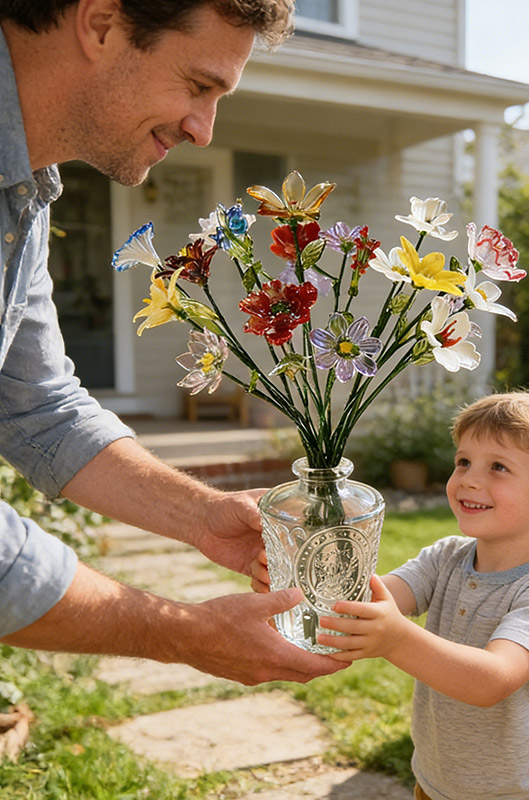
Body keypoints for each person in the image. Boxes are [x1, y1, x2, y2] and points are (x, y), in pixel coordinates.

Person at [0, 0, 346, 685]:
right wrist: (184, 632)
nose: (203, 131)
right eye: (197, 85)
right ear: (101, 24)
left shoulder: (23, 198)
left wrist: (202, 515)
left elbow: (38, 409)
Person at [253, 392, 529, 800]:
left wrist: (396, 640)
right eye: (464, 461)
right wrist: (298, 586)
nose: (468, 479)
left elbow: (491, 681)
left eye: (498, 467)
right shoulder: (446, 557)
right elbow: (366, 601)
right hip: (434, 784)